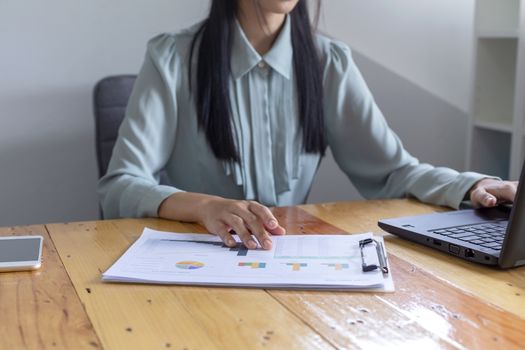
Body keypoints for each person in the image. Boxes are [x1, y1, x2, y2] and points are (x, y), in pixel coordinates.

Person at [98, 0, 518, 251]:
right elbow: (120, 184)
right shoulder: (172, 58)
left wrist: (469, 184)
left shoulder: (328, 62)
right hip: (199, 258)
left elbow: (392, 172)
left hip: (288, 259)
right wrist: (205, 207)